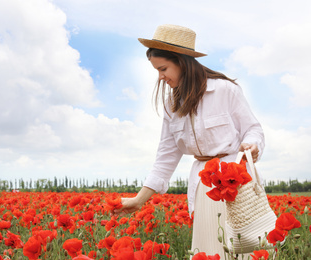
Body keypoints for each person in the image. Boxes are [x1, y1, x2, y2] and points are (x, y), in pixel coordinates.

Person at [112, 24, 264, 258]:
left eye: (163, 69)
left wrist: (252, 145)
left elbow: (252, 129)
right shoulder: (172, 104)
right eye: (157, 71)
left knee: (240, 249)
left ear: (182, 62)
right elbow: (165, 157)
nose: (161, 77)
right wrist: (139, 200)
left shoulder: (225, 90)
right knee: (210, 250)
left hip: (236, 180)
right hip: (204, 187)